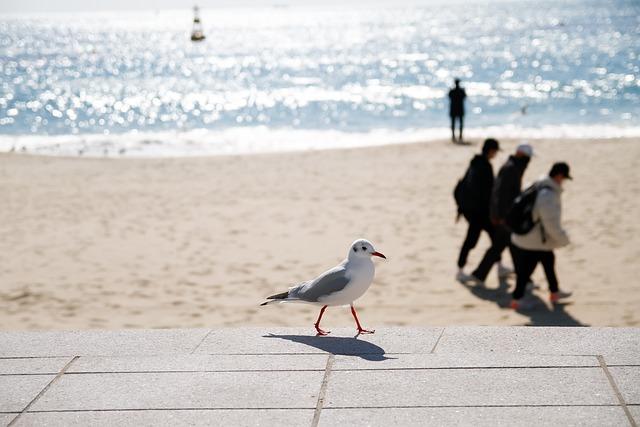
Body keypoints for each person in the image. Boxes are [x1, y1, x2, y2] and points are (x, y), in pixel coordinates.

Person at [464, 143, 533, 285]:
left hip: (505, 216)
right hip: (505, 217)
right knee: (505, 247)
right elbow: (499, 194)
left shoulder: (513, 167)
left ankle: (480, 274)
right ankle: (524, 279)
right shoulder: (511, 169)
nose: (529, 162)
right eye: (527, 158)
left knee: (504, 247)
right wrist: (501, 216)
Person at [510, 162, 573, 309]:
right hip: (535, 238)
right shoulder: (547, 195)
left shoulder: (539, 184)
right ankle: (516, 300)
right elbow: (550, 222)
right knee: (526, 270)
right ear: (558, 176)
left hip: (533, 237)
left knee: (548, 261)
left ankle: (555, 292)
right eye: (563, 178)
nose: (563, 181)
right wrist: (564, 238)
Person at [455, 139, 500, 281]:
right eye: (496, 151)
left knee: (496, 237)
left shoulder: (475, 163)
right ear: (491, 151)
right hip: (479, 212)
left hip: (473, 210)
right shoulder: (484, 166)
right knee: (472, 240)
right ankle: (460, 270)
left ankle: (500, 265)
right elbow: (487, 191)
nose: (496, 154)